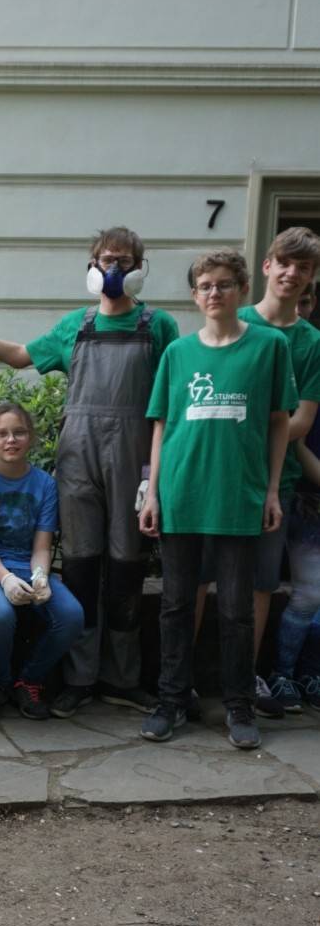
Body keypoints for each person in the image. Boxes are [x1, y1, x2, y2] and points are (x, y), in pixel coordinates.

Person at [0, 228, 180, 717]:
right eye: (106, 259)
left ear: (139, 268)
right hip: (79, 458)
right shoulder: (76, 325)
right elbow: (18, 356)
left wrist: (154, 474)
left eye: (124, 260)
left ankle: (123, 679)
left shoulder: (159, 326)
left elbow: (170, 403)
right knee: (84, 566)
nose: (114, 268)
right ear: (92, 265)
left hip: (134, 457)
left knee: (128, 568)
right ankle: (79, 679)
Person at [138, 249, 295, 749]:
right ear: (194, 295)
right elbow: (162, 425)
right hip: (181, 494)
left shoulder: (269, 347)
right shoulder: (177, 353)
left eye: (224, 284)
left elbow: (279, 423)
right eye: (205, 286)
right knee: (176, 605)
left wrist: (271, 490)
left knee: (236, 610)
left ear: (242, 289)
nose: (214, 293)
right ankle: (170, 700)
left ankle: (239, 706)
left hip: (238, 497)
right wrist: (153, 493)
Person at [228, 228, 320, 714]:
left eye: (303, 268)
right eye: (284, 262)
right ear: (267, 265)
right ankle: (190, 684)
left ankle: (243, 679)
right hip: (219, 478)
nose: (292, 273)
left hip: (274, 484)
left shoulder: (312, 342)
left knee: (262, 583)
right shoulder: (233, 319)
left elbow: (301, 421)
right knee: (200, 581)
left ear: (311, 277)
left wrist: (245, 428)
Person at [0, 403, 84, 721]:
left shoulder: (45, 484)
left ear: (30, 438)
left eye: (18, 433)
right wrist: (5, 579)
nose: (10, 440)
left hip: (26, 563)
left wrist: (40, 576)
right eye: (2, 434)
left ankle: (29, 680)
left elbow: (42, 545)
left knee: (71, 615)